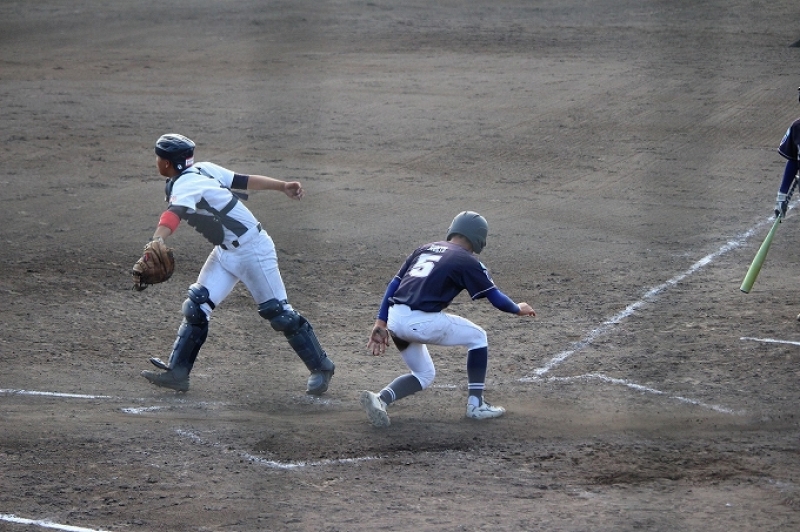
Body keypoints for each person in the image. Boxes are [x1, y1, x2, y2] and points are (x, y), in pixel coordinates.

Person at [136, 133, 335, 394]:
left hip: (254, 251)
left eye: (158, 158)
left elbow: (173, 215)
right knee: (197, 306)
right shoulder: (203, 169)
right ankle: (178, 373)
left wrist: (156, 240)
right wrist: (282, 186)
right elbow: (243, 180)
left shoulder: (187, 183)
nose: (157, 162)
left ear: (166, 163)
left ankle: (322, 366)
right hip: (225, 252)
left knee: (280, 314)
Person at [360, 211, 536, 427]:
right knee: (478, 337)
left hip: (395, 320)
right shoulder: (467, 261)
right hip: (422, 323)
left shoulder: (423, 249)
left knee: (424, 374)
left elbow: (394, 284)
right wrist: (517, 309)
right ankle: (476, 405)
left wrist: (380, 322)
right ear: (479, 238)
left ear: (453, 229)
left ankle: (380, 399)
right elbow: (496, 299)